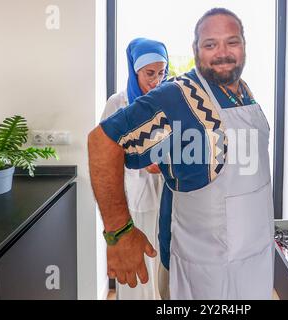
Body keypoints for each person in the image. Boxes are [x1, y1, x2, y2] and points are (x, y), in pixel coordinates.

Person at [88, 8, 274, 299]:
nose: (223, 53)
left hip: (254, 257)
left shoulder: (244, 92)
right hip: (202, 270)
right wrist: (119, 233)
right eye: (210, 44)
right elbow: (101, 142)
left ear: (244, 46)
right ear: (196, 50)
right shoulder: (178, 95)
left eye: (232, 42)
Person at [100, 38, 168, 300]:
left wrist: (164, 160)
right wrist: (138, 159)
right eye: (149, 73)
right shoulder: (118, 104)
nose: (156, 80)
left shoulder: (166, 100)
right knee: (139, 261)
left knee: (162, 256)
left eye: (161, 72)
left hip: (167, 190)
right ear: (134, 70)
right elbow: (105, 153)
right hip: (135, 194)